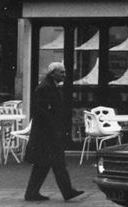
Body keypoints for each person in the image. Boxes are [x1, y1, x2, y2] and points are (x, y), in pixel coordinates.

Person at [24, 63, 84, 202]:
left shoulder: (50, 86)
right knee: (56, 163)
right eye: (61, 72)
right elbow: (42, 111)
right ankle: (66, 191)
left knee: (44, 164)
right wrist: (54, 128)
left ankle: (32, 193)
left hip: (48, 133)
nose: (64, 75)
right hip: (47, 134)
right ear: (53, 73)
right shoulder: (45, 88)